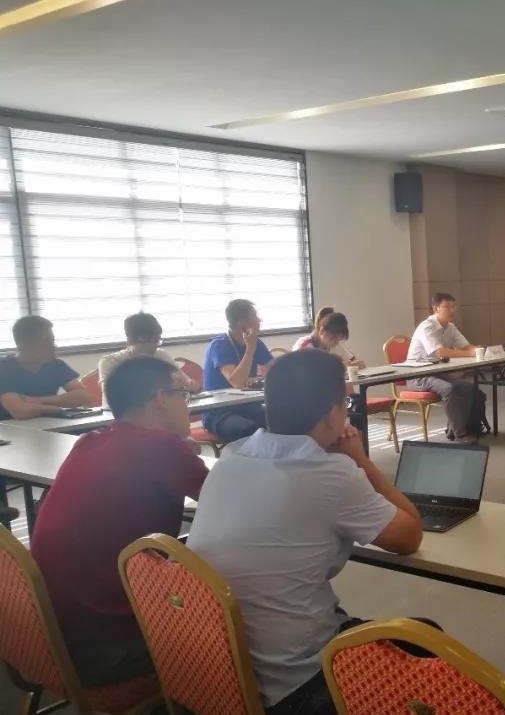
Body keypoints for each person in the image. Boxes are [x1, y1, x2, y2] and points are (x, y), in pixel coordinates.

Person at [187, 348, 424, 714]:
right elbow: (409, 536)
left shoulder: (231, 456)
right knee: (422, 638)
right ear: (332, 413)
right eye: (345, 404)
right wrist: (360, 460)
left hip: (221, 675)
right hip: (295, 687)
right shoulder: (329, 473)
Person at [31, 357, 208, 686]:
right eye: (183, 396)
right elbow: (229, 504)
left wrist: (179, 452)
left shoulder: (89, 442)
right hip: (105, 649)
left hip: (49, 637)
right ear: (161, 398)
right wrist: (179, 452)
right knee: (239, 625)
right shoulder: (161, 449)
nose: (187, 406)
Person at [407, 292, 486, 444]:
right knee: (449, 389)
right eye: (447, 307)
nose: (452, 311)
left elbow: (466, 346)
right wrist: (470, 353)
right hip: (417, 375)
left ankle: (458, 429)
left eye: (453, 306)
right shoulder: (427, 327)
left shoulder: (450, 327)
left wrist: (479, 350)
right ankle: (460, 435)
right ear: (435, 308)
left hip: (437, 373)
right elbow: (439, 352)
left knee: (469, 388)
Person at [202, 299, 272, 442]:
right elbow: (237, 382)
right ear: (242, 324)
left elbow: (276, 366)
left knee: (283, 417)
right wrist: (250, 349)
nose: (260, 320)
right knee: (249, 430)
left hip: (248, 406)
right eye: (255, 317)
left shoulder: (256, 343)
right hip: (220, 413)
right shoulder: (219, 345)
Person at [99, 312, 198, 409]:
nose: (153, 347)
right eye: (148, 341)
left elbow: (186, 383)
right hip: (119, 416)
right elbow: (113, 399)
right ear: (130, 340)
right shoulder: (110, 362)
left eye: (157, 341)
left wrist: (189, 385)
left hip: (158, 412)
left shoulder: (160, 355)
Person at [0, 315, 92, 419]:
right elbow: (20, 412)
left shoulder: (56, 365)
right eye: (46, 342)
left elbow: (84, 396)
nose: (54, 347)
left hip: (50, 425)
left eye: (52, 341)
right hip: (10, 427)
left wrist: (37, 401)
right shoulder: (4, 368)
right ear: (23, 345)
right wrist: (55, 409)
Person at [293, 306, 363, 366]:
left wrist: (357, 364)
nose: (336, 343)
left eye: (339, 339)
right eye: (334, 338)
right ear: (322, 331)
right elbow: (303, 374)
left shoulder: (335, 345)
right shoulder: (304, 347)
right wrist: (337, 367)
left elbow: (353, 360)